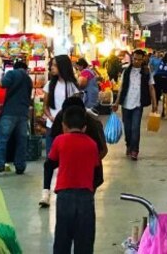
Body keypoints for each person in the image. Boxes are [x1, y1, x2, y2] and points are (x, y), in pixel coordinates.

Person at [48, 105, 101, 254]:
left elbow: (50, 163)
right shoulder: (92, 144)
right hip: (85, 197)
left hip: (64, 197)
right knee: (84, 241)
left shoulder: (59, 141)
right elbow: (96, 172)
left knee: (62, 240)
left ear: (64, 126)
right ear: (84, 128)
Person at [42, 54, 81, 207]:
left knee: (68, 161)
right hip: (52, 127)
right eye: (51, 65)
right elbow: (45, 106)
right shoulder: (49, 85)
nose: (51, 68)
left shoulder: (72, 86)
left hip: (68, 130)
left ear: (62, 67)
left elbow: (77, 108)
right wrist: (51, 117)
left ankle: (65, 189)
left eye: (54, 65)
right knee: (49, 161)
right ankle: (45, 193)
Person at [48, 96, 108, 189]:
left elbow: (103, 150)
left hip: (90, 176)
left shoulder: (93, 123)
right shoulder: (60, 117)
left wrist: (85, 165)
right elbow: (54, 143)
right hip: (68, 177)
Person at [0, 59, 33, 176]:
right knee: (21, 141)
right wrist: (2, 105)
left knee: (1, 139)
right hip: (23, 114)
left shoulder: (12, 73)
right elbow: (22, 98)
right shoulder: (28, 79)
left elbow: (3, 84)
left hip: (9, 113)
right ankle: (20, 166)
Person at [118, 50, 157, 160]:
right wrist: (116, 102)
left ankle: (135, 150)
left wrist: (154, 104)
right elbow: (121, 87)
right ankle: (129, 145)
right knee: (127, 128)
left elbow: (151, 88)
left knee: (135, 128)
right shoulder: (126, 71)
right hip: (125, 104)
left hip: (138, 104)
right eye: (135, 59)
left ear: (143, 59)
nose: (136, 61)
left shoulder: (146, 72)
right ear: (132, 58)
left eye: (139, 59)